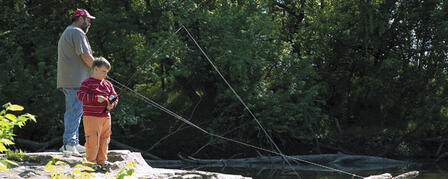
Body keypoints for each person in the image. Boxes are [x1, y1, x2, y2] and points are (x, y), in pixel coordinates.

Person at [57, 9, 96, 155]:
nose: (89, 22)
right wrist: (99, 71)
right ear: (80, 19)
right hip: (75, 80)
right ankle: (69, 144)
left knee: (76, 111)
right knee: (74, 111)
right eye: (88, 20)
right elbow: (85, 55)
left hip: (71, 79)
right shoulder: (77, 32)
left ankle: (73, 142)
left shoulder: (69, 31)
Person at [77, 57, 118, 169]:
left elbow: (114, 97)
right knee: (92, 140)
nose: (106, 74)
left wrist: (112, 104)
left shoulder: (108, 84)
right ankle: (90, 163)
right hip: (91, 117)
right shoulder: (87, 83)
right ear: (95, 69)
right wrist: (95, 98)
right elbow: (80, 95)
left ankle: (102, 161)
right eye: (103, 71)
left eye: (107, 72)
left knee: (105, 139)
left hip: (106, 117)